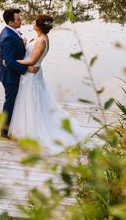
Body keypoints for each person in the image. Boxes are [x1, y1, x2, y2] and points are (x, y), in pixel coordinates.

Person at [8, 14, 83, 153]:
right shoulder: (38, 38)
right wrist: (25, 44)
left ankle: (34, 133)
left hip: (32, 77)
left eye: (35, 21)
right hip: (29, 75)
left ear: (39, 25)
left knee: (32, 103)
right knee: (30, 102)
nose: (32, 22)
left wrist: (11, 61)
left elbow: (31, 61)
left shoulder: (42, 41)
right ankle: (27, 130)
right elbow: (31, 54)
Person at [0, 8, 39, 138]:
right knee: (10, 102)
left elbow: (12, 54)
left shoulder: (12, 32)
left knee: (14, 101)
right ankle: (4, 131)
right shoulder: (7, 37)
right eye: (18, 19)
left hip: (12, 72)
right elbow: (9, 61)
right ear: (10, 22)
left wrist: (22, 43)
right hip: (10, 76)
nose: (21, 21)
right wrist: (27, 69)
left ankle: (11, 126)